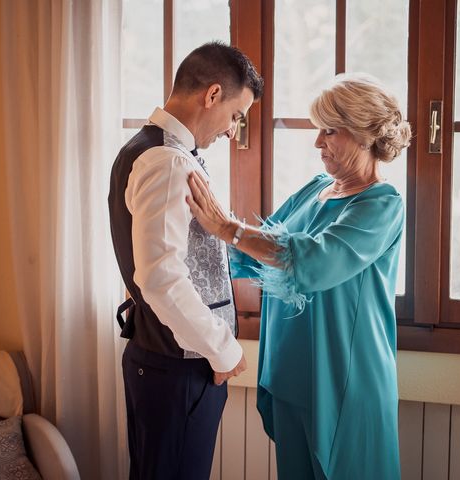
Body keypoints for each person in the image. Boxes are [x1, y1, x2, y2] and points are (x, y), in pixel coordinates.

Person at [186, 74, 411, 480]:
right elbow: (254, 254)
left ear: (362, 135)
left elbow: (314, 263)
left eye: (329, 131)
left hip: (344, 381)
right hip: (290, 376)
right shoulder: (316, 189)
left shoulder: (381, 204)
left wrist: (228, 228)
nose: (317, 142)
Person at [108, 41, 263, 480]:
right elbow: (160, 278)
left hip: (164, 361)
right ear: (212, 94)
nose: (233, 130)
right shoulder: (168, 161)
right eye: (236, 115)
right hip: (178, 367)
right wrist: (222, 348)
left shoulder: (146, 148)